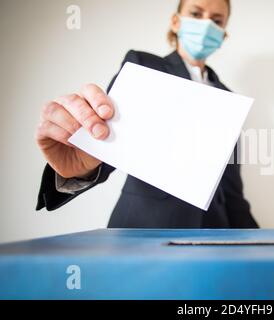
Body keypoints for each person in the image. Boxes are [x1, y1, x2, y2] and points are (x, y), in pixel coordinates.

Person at [35, 0, 258, 229]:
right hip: (146, 225)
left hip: (214, 230)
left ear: (223, 36)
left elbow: (231, 189)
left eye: (216, 20)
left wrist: (260, 244)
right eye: (196, 13)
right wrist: (83, 167)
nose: (206, 24)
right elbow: (111, 145)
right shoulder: (144, 67)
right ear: (176, 21)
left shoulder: (229, 98)